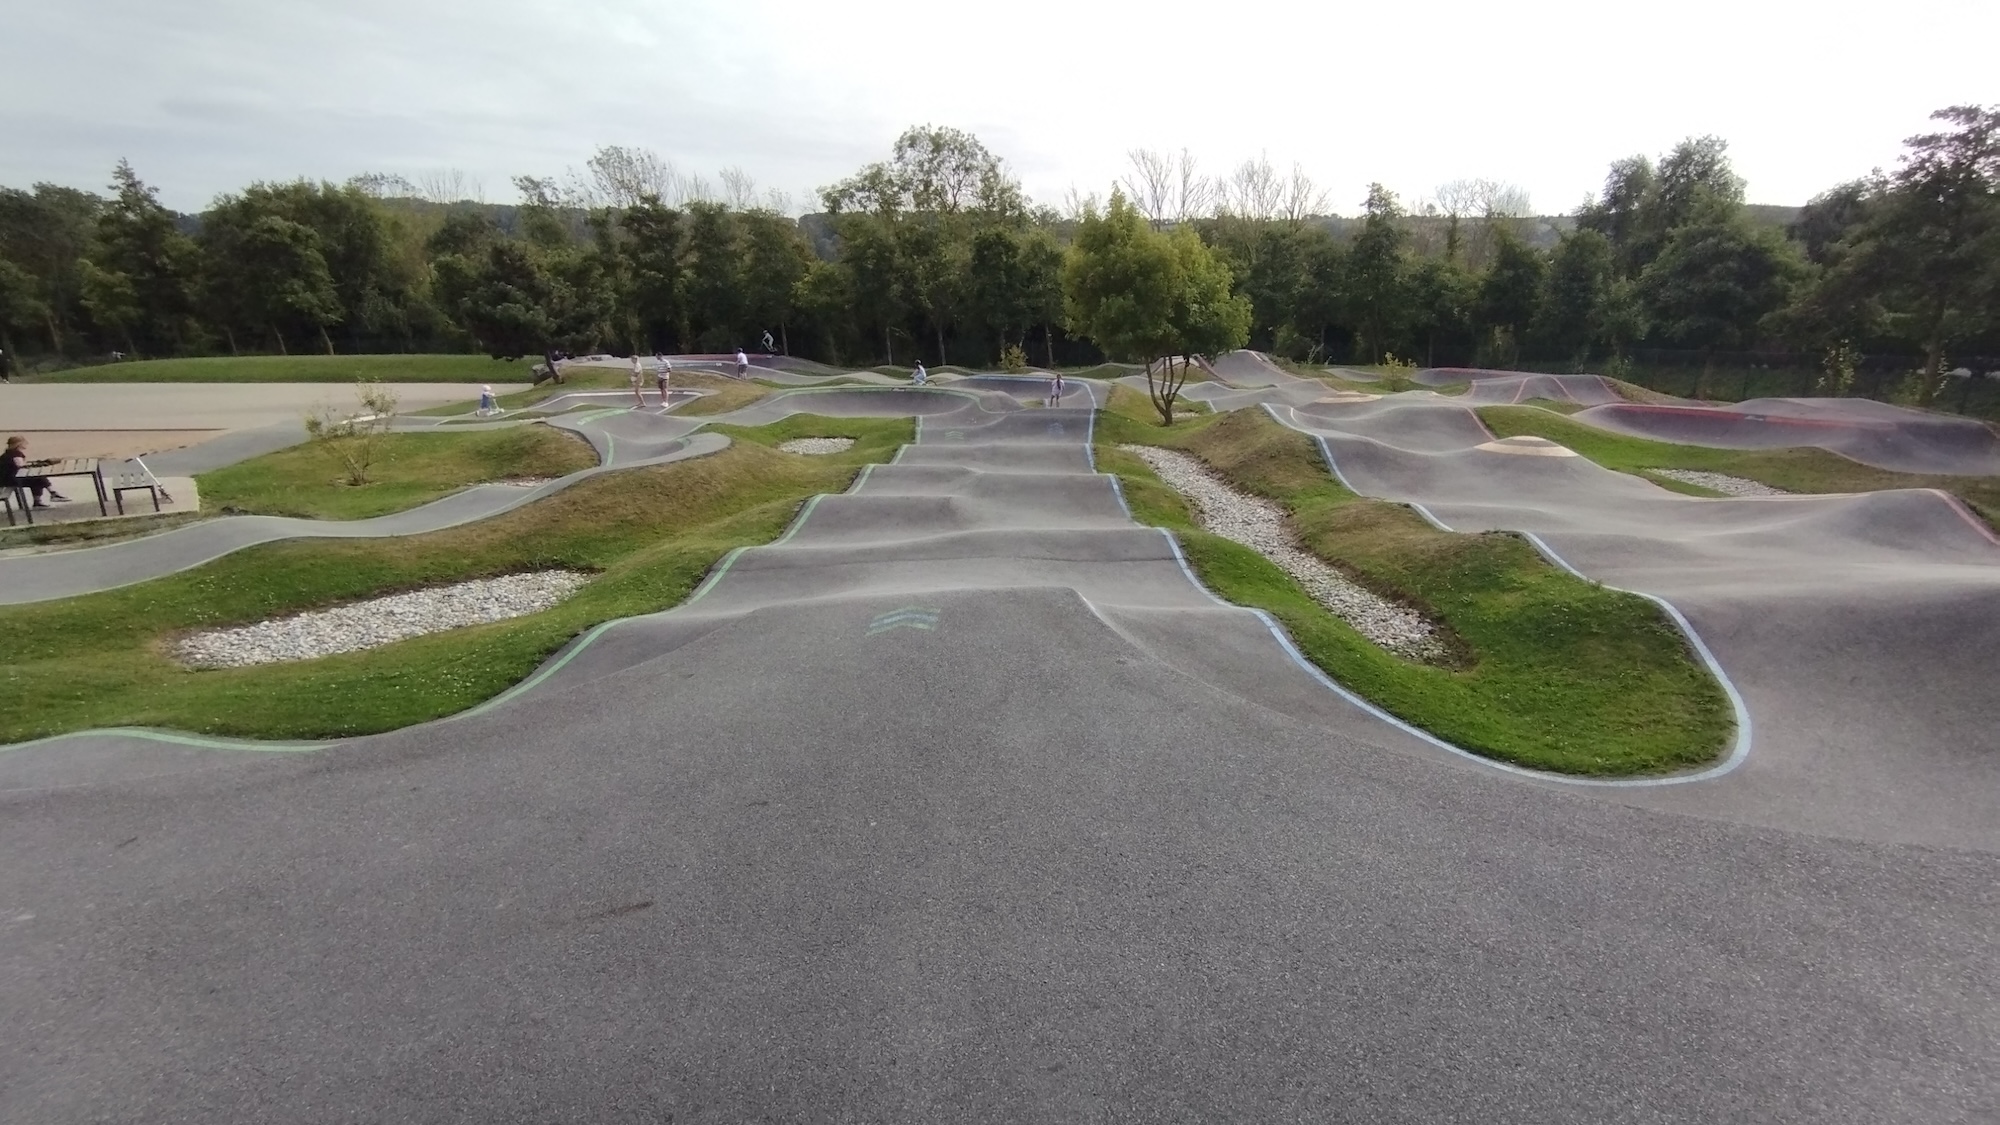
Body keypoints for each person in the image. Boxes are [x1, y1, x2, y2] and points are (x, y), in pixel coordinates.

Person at [2, 436, 66, 507]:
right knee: (38, 477)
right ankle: (53, 494)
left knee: (36, 478)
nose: (26, 444)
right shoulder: (16, 453)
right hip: (10, 480)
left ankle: (38, 501)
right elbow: (21, 466)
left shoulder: (8, 453)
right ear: (19, 444)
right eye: (24, 443)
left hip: (7, 479)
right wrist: (37, 465)